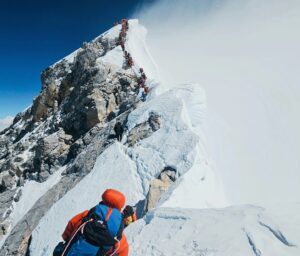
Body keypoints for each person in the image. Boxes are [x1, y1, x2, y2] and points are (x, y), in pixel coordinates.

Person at [54, 189, 131, 256]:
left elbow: (70, 227)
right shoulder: (117, 232)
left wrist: (67, 240)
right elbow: (123, 251)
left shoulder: (86, 215)